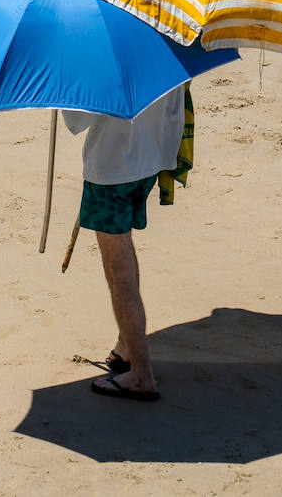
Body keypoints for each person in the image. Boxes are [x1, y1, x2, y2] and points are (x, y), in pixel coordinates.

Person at [62, 83, 186, 403]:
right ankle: (126, 346)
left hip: (113, 170)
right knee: (125, 259)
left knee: (119, 272)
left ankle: (142, 375)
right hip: (153, 159)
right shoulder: (169, 39)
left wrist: (58, 95)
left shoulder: (99, 57)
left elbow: (76, 119)